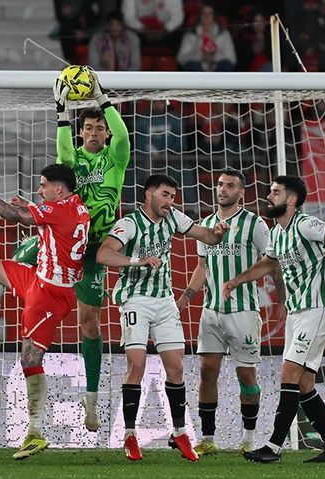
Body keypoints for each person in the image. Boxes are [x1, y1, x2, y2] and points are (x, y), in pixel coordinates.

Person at [0, 69, 130, 434]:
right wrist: (61, 110)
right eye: (87, 127)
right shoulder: (73, 161)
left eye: (98, 127)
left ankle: (90, 400)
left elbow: (122, 133)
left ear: (105, 132)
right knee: (4, 259)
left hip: (92, 250)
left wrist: (101, 97)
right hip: (59, 238)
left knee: (89, 323)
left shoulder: (116, 157)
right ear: (82, 131)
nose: (93, 132)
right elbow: (60, 155)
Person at [223, 175, 325, 464]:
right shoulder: (277, 232)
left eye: (276, 192)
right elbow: (269, 263)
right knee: (304, 385)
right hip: (298, 313)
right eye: (270, 191)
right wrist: (237, 280)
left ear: (292, 200)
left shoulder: (304, 224)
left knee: (289, 375)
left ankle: (273, 447)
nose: (269, 196)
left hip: (316, 311)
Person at [0, 163, 90, 460]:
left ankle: (35, 432)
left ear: (59, 189)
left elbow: (11, 215)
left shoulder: (59, 211)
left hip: (51, 295)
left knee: (30, 358)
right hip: (38, 278)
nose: (39, 190)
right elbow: (55, 224)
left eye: (43, 185)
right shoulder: (76, 206)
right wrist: (34, 206)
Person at [96, 174, 228, 462]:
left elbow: (205, 236)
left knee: (176, 367)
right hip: (135, 301)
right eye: (166, 195)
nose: (170, 201)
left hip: (165, 301)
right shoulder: (129, 223)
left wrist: (217, 233)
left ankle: (179, 432)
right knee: (138, 365)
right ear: (149, 195)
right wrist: (136, 261)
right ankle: (130, 435)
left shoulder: (174, 218)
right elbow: (104, 254)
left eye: (173, 196)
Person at [177, 170, 285, 455]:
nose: (222, 189)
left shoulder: (255, 224)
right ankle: (208, 438)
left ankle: (248, 438)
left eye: (230, 186)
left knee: (246, 377)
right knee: (207, 371)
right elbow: (202, 266)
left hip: (244, 312)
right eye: (220, 185)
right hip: (211, 312)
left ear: (241, 193)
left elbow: (273, 263)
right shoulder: (206, 225)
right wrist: (186, 299)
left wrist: (284, 301)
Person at [176, 4, 236, 72]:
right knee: (191, 65)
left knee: (226, 65)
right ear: (199, 16)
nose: (206, 16)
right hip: (197, 67)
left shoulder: (224, 34)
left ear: (214, 16)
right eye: (203, 13)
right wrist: (201, 56)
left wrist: (213, 57)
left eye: (209, 14)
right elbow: (180, 58)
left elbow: (232, 58)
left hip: (218, 67)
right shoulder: (190, 35)